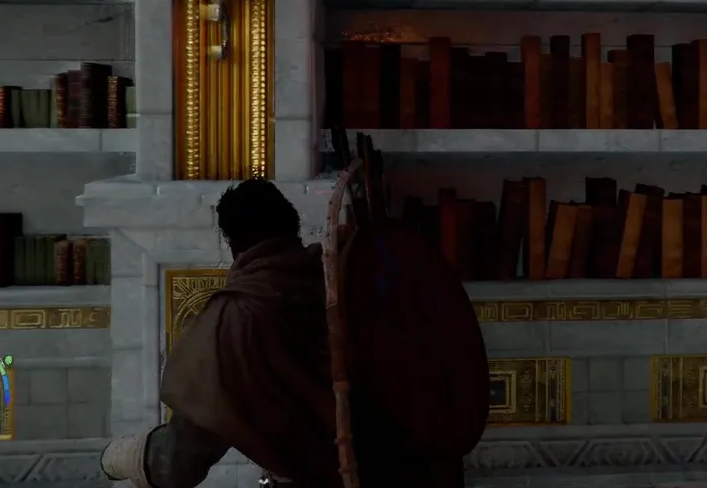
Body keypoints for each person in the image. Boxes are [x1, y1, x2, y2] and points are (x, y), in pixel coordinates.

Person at [99, 178, 476, 487]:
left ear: (232, 244)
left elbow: (176, 464)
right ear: (292, 227)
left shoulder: (235, 319)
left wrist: (117, 459)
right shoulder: (354, 272)